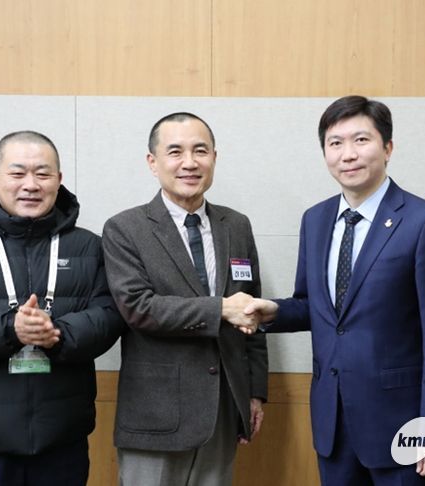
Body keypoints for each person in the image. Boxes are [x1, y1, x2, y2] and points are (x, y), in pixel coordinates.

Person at [244, 95, 425, 485]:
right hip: (333, 423)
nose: (348, 154)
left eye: (361, 140)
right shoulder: (316, 219)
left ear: (388, 147)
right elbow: (316, 306)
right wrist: (273, 312)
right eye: (335, 143)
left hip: (404, 429)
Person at [0, 130, 124, 486]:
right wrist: (9, 329)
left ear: (59, 180)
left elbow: (110, 315)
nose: (30, 185)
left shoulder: (89, 248)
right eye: (18, 173)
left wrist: (57, 333)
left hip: (61, 439)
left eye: (43, 174)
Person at [102, 112, 268, 486]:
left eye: (200, 151)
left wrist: (255, 392)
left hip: (224, 407)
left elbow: (251, 313)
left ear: (214, 158)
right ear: (153, 162)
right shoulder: (125, 228)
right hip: (155, 414)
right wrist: (221, 309)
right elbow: (139, 308)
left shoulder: (236, 225)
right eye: (175, 151)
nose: (189, 163)